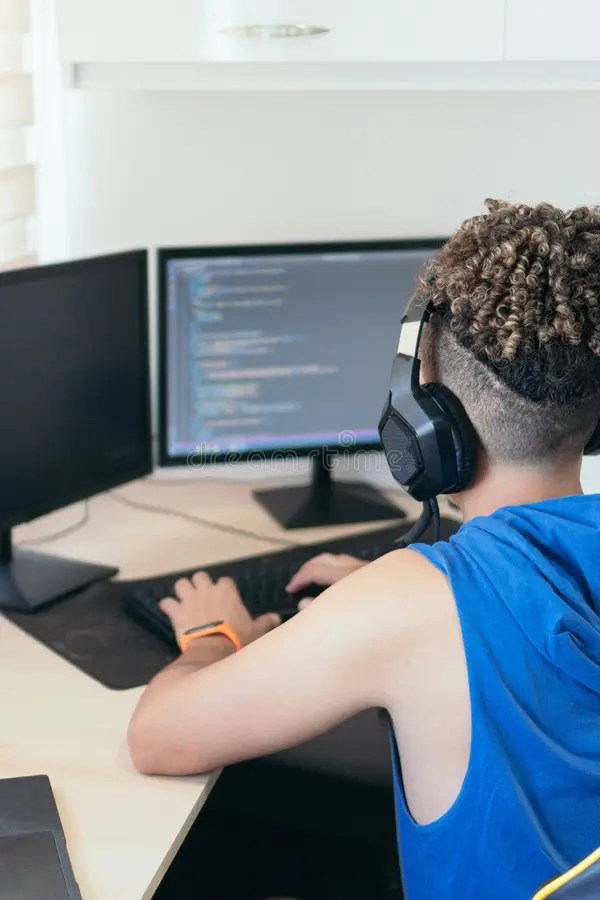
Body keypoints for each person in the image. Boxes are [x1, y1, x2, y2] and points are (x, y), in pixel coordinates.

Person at [128, 200, 600, 899]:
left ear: (425, 415)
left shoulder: (407, 605)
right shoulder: (412, 600)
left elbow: (158, 740)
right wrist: (384, 594)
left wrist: (210, 636)